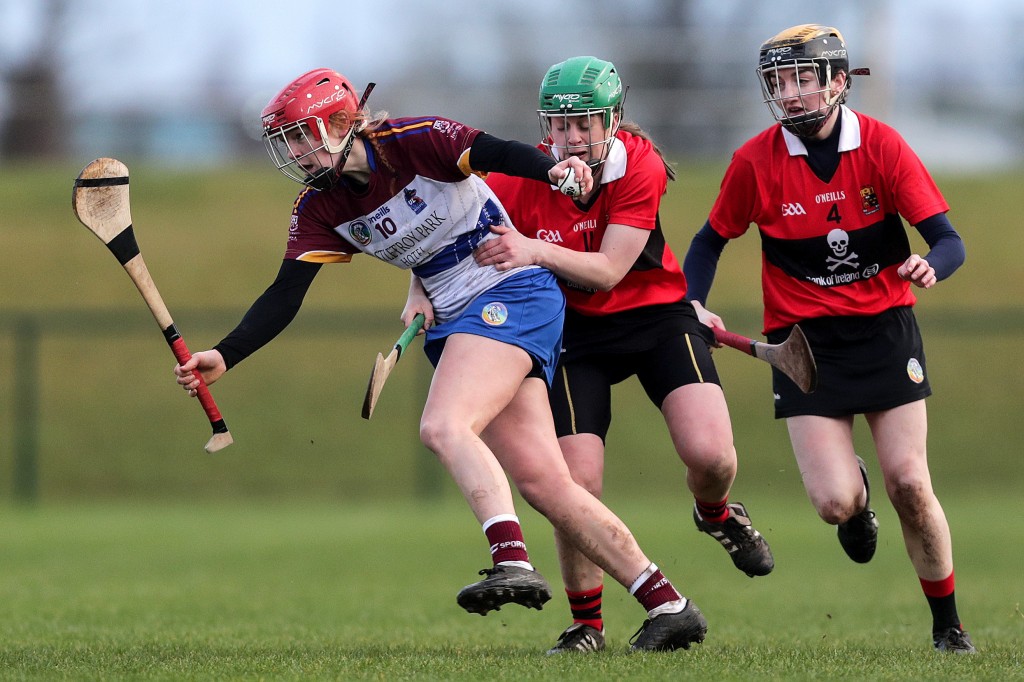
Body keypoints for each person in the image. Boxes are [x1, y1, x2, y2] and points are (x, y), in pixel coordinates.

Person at [174, 67, 708, 652]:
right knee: (546, 482)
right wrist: (225, 354)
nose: (297, 153)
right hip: (455, 317)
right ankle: (668, 605)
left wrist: (554, 168)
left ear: (339, 122)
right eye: (289, 143)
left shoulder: (410, 139)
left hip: (511, 291)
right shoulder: (319, 209)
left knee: (443, 425)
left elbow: (495, 151)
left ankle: (511, 559)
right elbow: (284, 294)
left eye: (303, 136)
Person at [465, 56, 773, 655]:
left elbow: (606, 271)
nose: (573, 138)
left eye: (586, 124)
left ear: (613, 120)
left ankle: (714, 513)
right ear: (544, 126)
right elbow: (452, 222)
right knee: (575, 482)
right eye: (561, 125)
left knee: (711, 456)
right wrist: (415, 291)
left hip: (657, 316)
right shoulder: (518, 177)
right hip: (573, 335)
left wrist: (530, 250)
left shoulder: (640, 163)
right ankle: (588, 626)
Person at [681, 25, 974, 654]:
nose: (789, 94)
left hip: (884, 331)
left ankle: (948, 628)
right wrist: (692, 301)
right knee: (836, 504)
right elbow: (709, 241)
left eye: (802, 79)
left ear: (838, 82)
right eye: (777, 83)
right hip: (800, 345)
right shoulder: (754, 161)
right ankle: (856, 494)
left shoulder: (882, 147)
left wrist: (931, 264)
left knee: (912, 486)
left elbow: (949, 241)